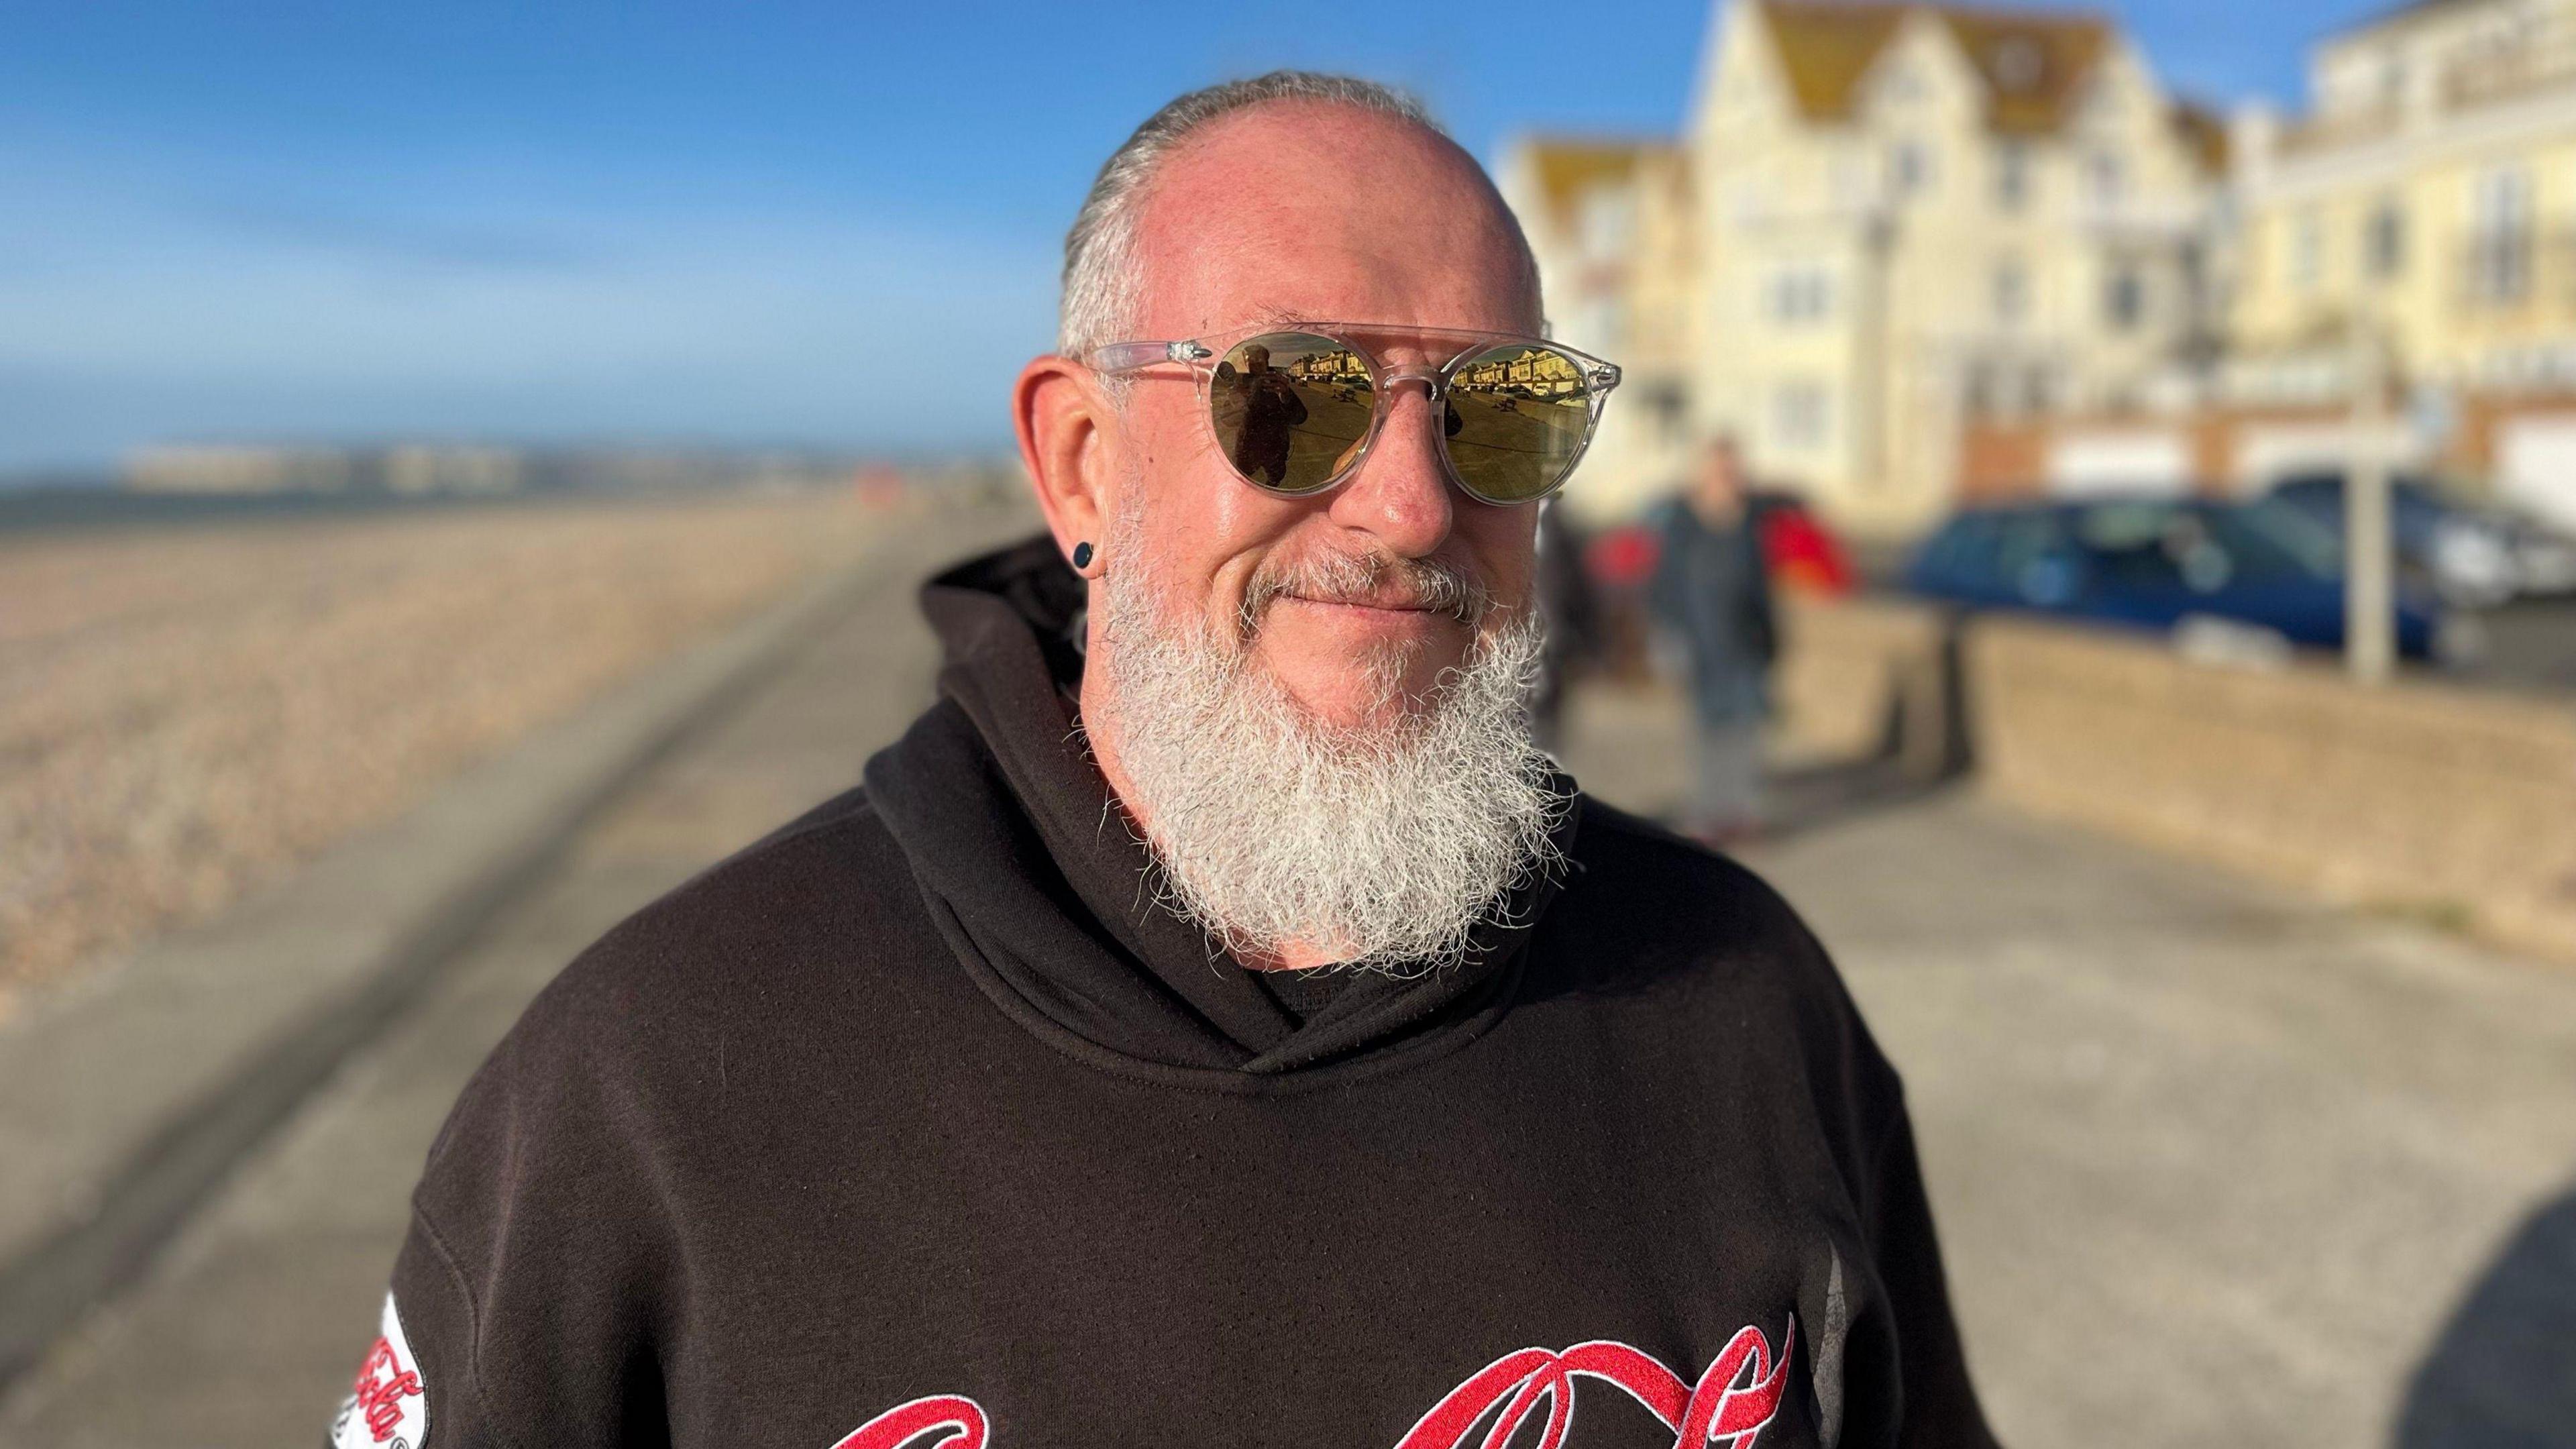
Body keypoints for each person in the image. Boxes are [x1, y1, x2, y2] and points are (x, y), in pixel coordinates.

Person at [327, 72, 1995, 1449]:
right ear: (1081, 462)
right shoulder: (652, 1082)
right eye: (1295, 396)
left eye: (1498, 410)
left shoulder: (1740, 1000)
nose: (1412, 505)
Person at [1648, 437, 1780, 843]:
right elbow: (1664, 586)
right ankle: (1707, 816)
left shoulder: (1750, 522)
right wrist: (1669, 640)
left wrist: (1773, 638)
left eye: (1731, 468)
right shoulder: (1683, 522)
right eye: (1718, 468)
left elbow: (1761, 587)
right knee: (1707, 734)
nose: (1726, 477)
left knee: (1745, 732)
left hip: (1745, 646)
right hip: (1700, 646)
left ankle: (1742, 813)